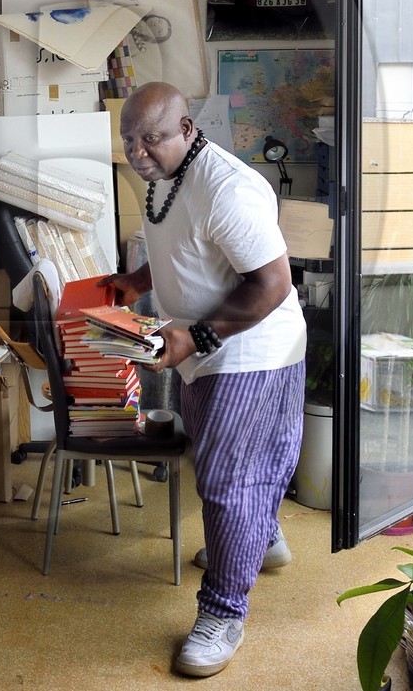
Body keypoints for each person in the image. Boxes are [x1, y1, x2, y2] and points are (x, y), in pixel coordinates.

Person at [101, 81, 306, 678]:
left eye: (152, 139)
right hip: (199, 345)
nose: (139, 153)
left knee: (224, 481)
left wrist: (195, 337)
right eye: (129, 141)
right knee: (228, 469)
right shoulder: (163, 177)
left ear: (186, 129)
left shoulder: (228, 189)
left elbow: (271, 285)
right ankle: (257, 541)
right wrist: (135, 283)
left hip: (251, 348)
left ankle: (224, 611)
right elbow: (182, 250)